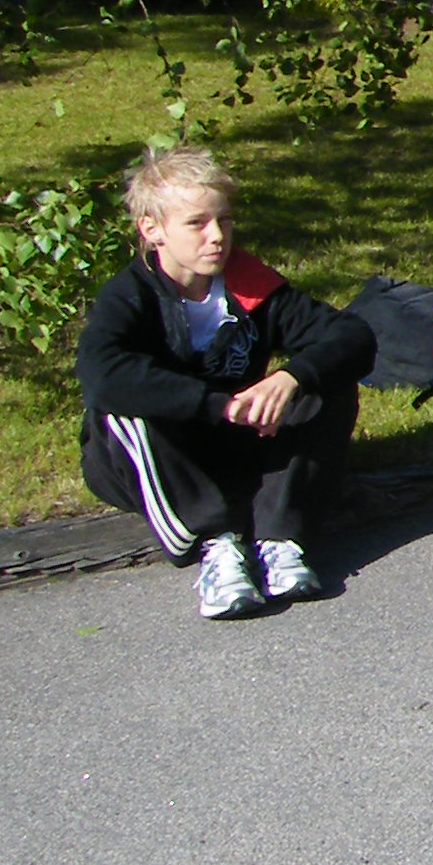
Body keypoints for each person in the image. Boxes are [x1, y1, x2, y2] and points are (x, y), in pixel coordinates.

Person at [77, 146, 377, 619]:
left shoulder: (247, 281)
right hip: (163, 455)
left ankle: (279, 539)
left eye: (225, 220)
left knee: (326, 380)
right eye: (196, 223)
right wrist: (216, 404)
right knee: (122, 409)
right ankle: (213, 545)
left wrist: (289, 377)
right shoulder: (130, 296)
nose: (217, 236)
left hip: (237, 441)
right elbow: (101, 375)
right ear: (152, 230)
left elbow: (353, 336)